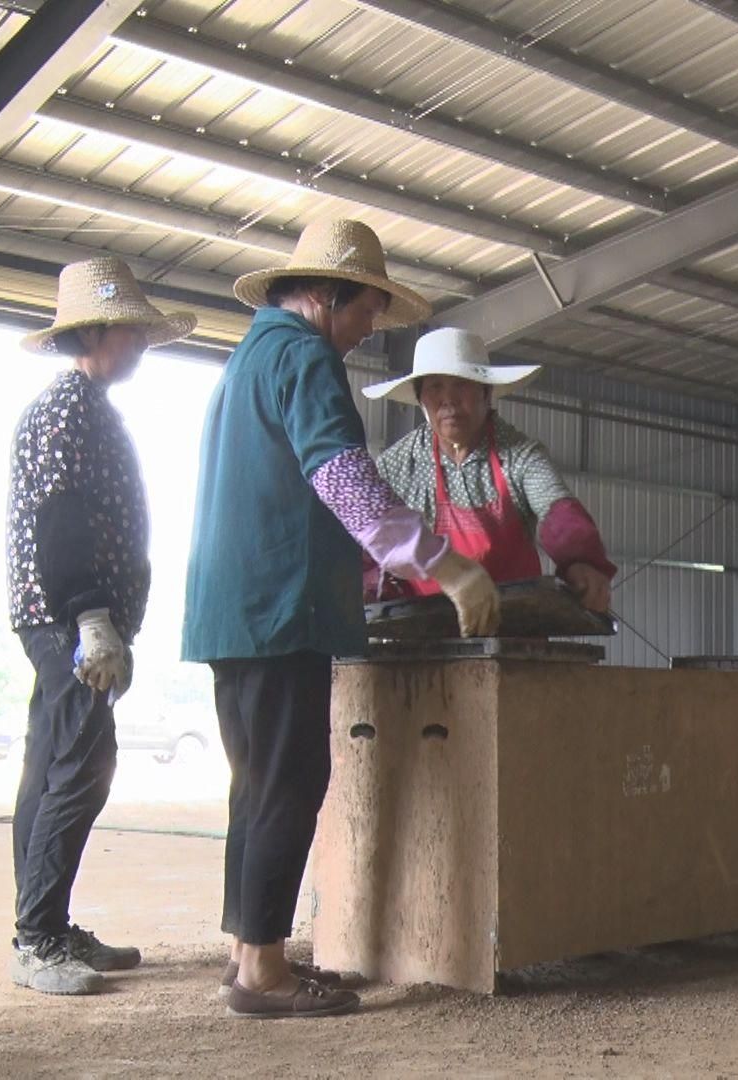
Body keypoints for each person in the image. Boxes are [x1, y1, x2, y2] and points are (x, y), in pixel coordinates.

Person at [181, 220, 500, 1020]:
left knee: (256, 782)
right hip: (282, 605)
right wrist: (449, 566)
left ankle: (248, 949)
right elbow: (345, 481)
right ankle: (263, 974)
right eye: (365, 312)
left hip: (231, 610)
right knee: (291, 782)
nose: (365, 332)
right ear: (326, 296)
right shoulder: (306, 357)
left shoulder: (247, 360)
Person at [5, 257, 196, 995]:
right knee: (83, 767)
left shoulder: (87, 407)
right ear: (95, 333)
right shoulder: (67, 411)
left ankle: (45, 925)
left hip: (64, 616)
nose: (142, 344)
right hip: (66, 617)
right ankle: (37, 939)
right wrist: (90, 615)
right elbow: (61, 520)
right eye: (132, 332)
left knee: (53, 766)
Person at [361, 328, 616, 613]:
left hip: (512, 623)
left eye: (461, 385)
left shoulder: (519, 455)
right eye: (435, 387)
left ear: (486, 392)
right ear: (421, 398)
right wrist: (370, 583)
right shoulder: (398, 464)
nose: (449, 400)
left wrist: (580, 561)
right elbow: (367, 531)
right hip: (424, 624)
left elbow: (556, 507)